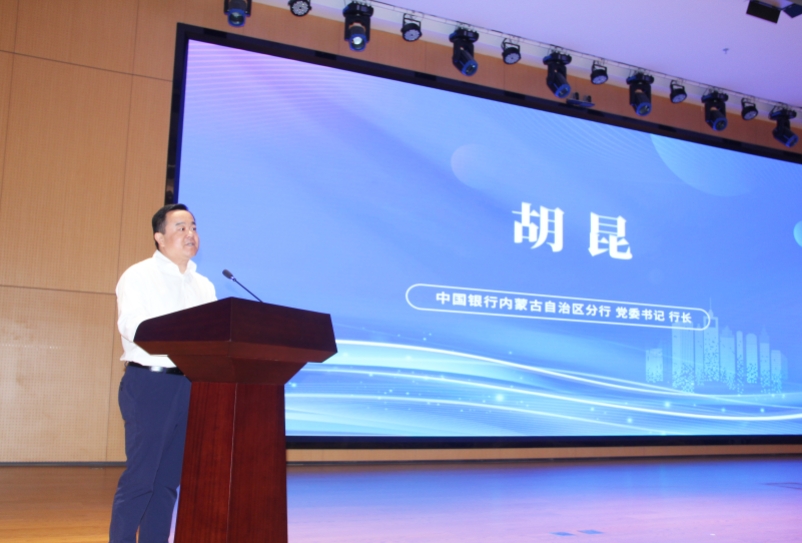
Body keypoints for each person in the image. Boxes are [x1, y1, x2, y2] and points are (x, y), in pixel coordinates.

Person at [109, 204, 217, 543]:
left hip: (189, 386)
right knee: (141, 479)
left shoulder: (204, 285)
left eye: (193, 227)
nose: (190, 234)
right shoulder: (138, 275)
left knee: (168, 481)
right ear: (159, 237)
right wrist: (183, 335)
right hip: (149, 383)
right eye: (181, 227)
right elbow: (133, 327)